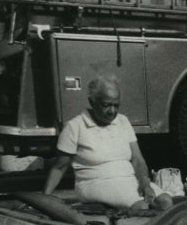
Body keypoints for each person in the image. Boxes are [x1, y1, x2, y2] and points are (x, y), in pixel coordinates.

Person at [43, 76, 173, 213]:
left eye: (116, 105)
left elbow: (137, 159)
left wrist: (145, 183)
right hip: (94, 182)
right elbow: (59, 167)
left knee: (165, 202)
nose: (112, 111)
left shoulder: (123, 121)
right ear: (92, 102)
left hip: (127, 179)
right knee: (141, 207)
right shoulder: (75, 126)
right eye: (106, 105)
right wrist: (45, 198)